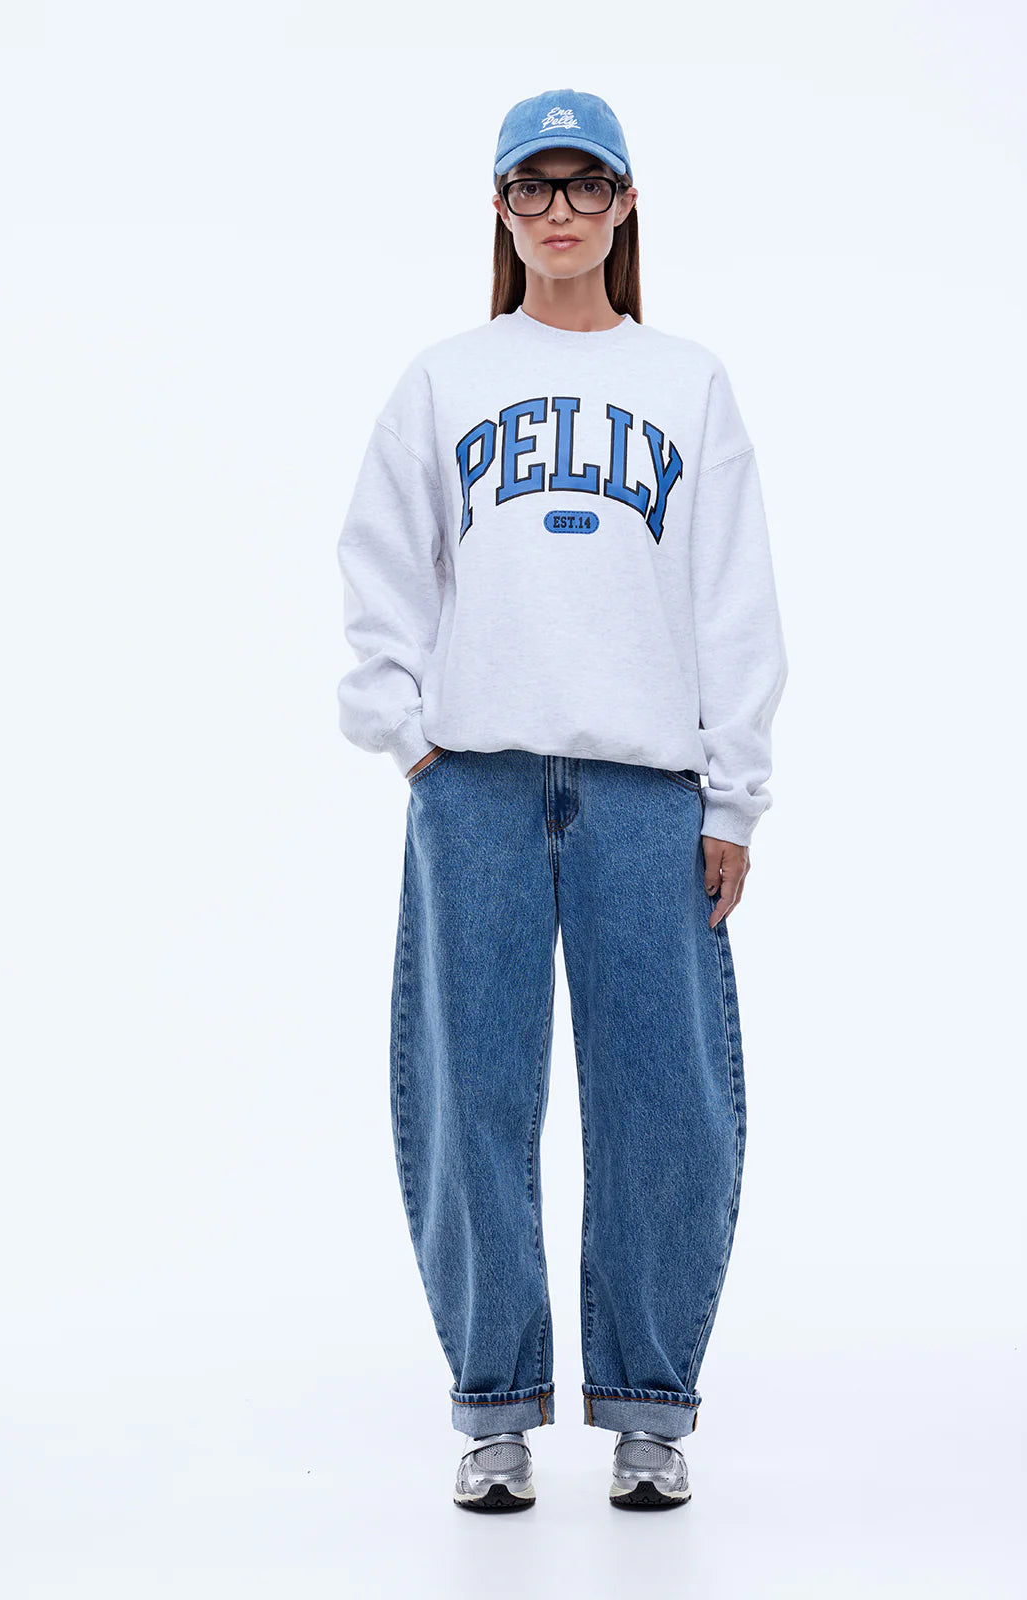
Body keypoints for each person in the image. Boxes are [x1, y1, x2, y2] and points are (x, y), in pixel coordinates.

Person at [335, 87, 789, 1513]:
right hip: (473, 784)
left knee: (666, 1099)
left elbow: (733, 597)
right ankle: (495, 1407)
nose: (560, 213)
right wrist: (408, 737)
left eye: (586, 185)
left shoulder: (687, 382)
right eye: (533, 188)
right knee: (472, 1095)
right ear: (500, 208)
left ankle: (651, 1405)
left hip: (648, 790)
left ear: (627, 203)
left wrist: (734, 797)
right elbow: (381, 566)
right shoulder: (446, 380)